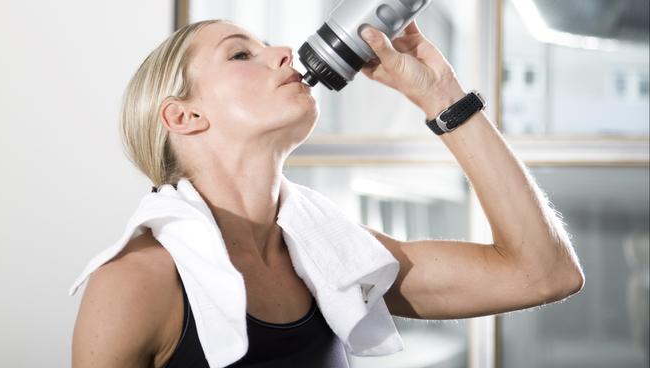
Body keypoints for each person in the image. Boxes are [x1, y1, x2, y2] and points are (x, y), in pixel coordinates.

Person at [71, 19, 585, 367]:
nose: (283, 54)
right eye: (241, 53)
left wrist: (440, 94)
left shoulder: (337, 260)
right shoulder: (133, 284)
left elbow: (543, 273)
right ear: (184, 116)